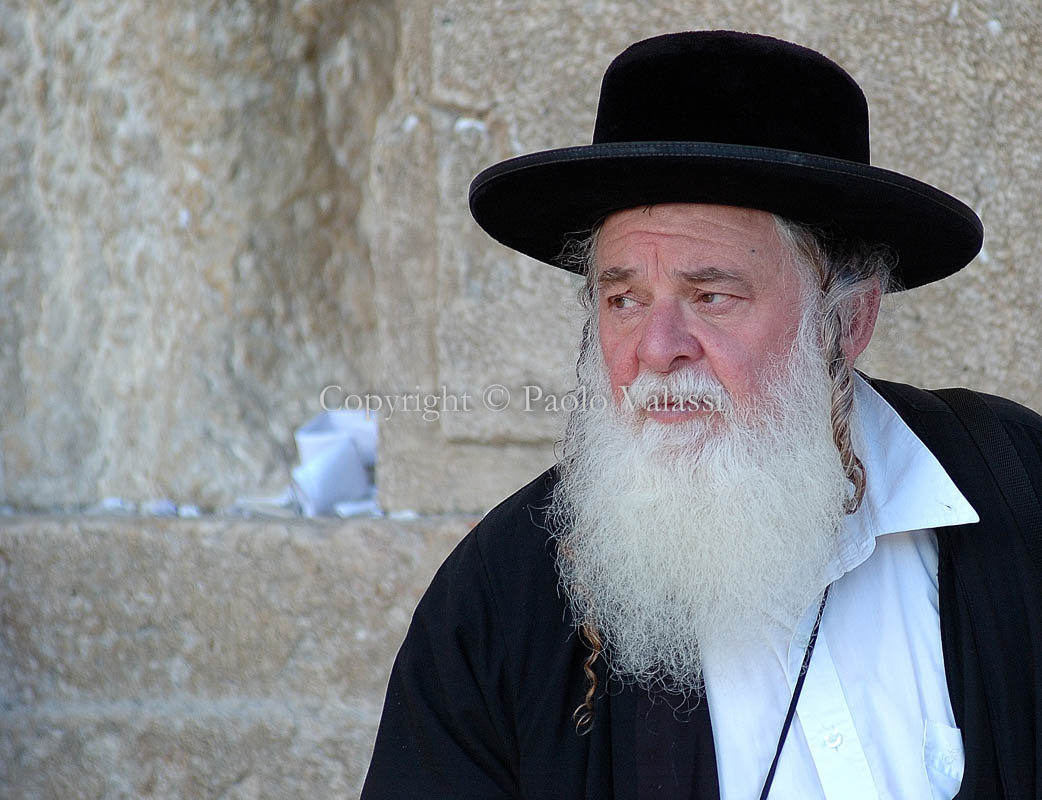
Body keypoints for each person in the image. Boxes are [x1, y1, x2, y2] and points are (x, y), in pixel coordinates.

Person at [361, 31, 1042, 799]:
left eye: (712, 296)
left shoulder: (1019, 485)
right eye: (624, 299)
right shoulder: (495, 600)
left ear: (847, 321)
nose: (657, 349)